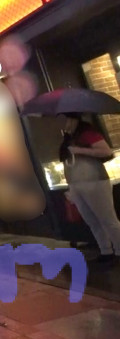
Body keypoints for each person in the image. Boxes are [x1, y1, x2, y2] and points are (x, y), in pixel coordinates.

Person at [58, 113, 120, 264]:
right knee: (91, 220)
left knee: (107, 219)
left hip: (94, 181)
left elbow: (106, 151)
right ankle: (105, 250)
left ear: (72, 119)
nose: (61, 122)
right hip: (77, 183)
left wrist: (80, 150)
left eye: (63, 119)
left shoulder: (87, 133)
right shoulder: (68, 137)